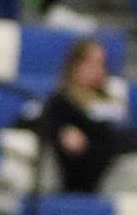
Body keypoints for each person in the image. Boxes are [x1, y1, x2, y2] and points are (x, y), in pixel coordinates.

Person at [31, 39, 137, 196]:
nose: (98, 70)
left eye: (102, 64)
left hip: (120, 163)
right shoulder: (62, 101)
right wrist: (61, 131)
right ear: (74, 66)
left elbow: (116, 136)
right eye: (91, 63)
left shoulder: (110, 100)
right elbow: (29, 120)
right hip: (92, 179)